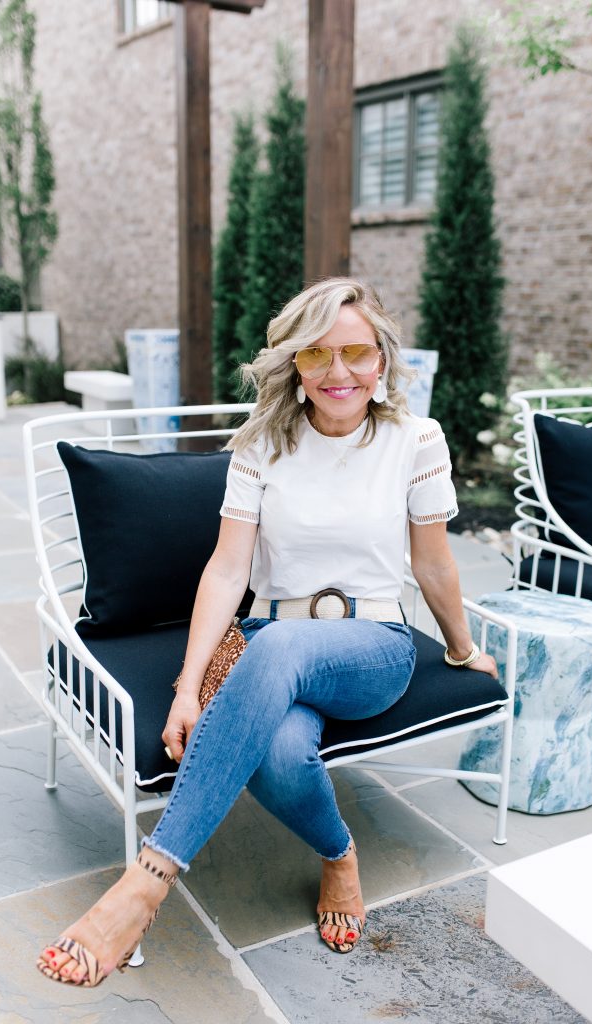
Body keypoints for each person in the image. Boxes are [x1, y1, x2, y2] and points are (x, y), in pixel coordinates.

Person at [36, 277, 497, 987]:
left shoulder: (416, 439)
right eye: (316, 355)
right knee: (281, 752)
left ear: (381, 359)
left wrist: (462, 648)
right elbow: (226, 571)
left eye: (355, 352)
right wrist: (188, 687)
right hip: (270, 641)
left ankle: (147, 882)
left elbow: (432, 562)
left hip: (371, 647)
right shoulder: (260, 444)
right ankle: (339, 855)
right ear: (293, 364)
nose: (337, 373)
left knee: (277, 648)